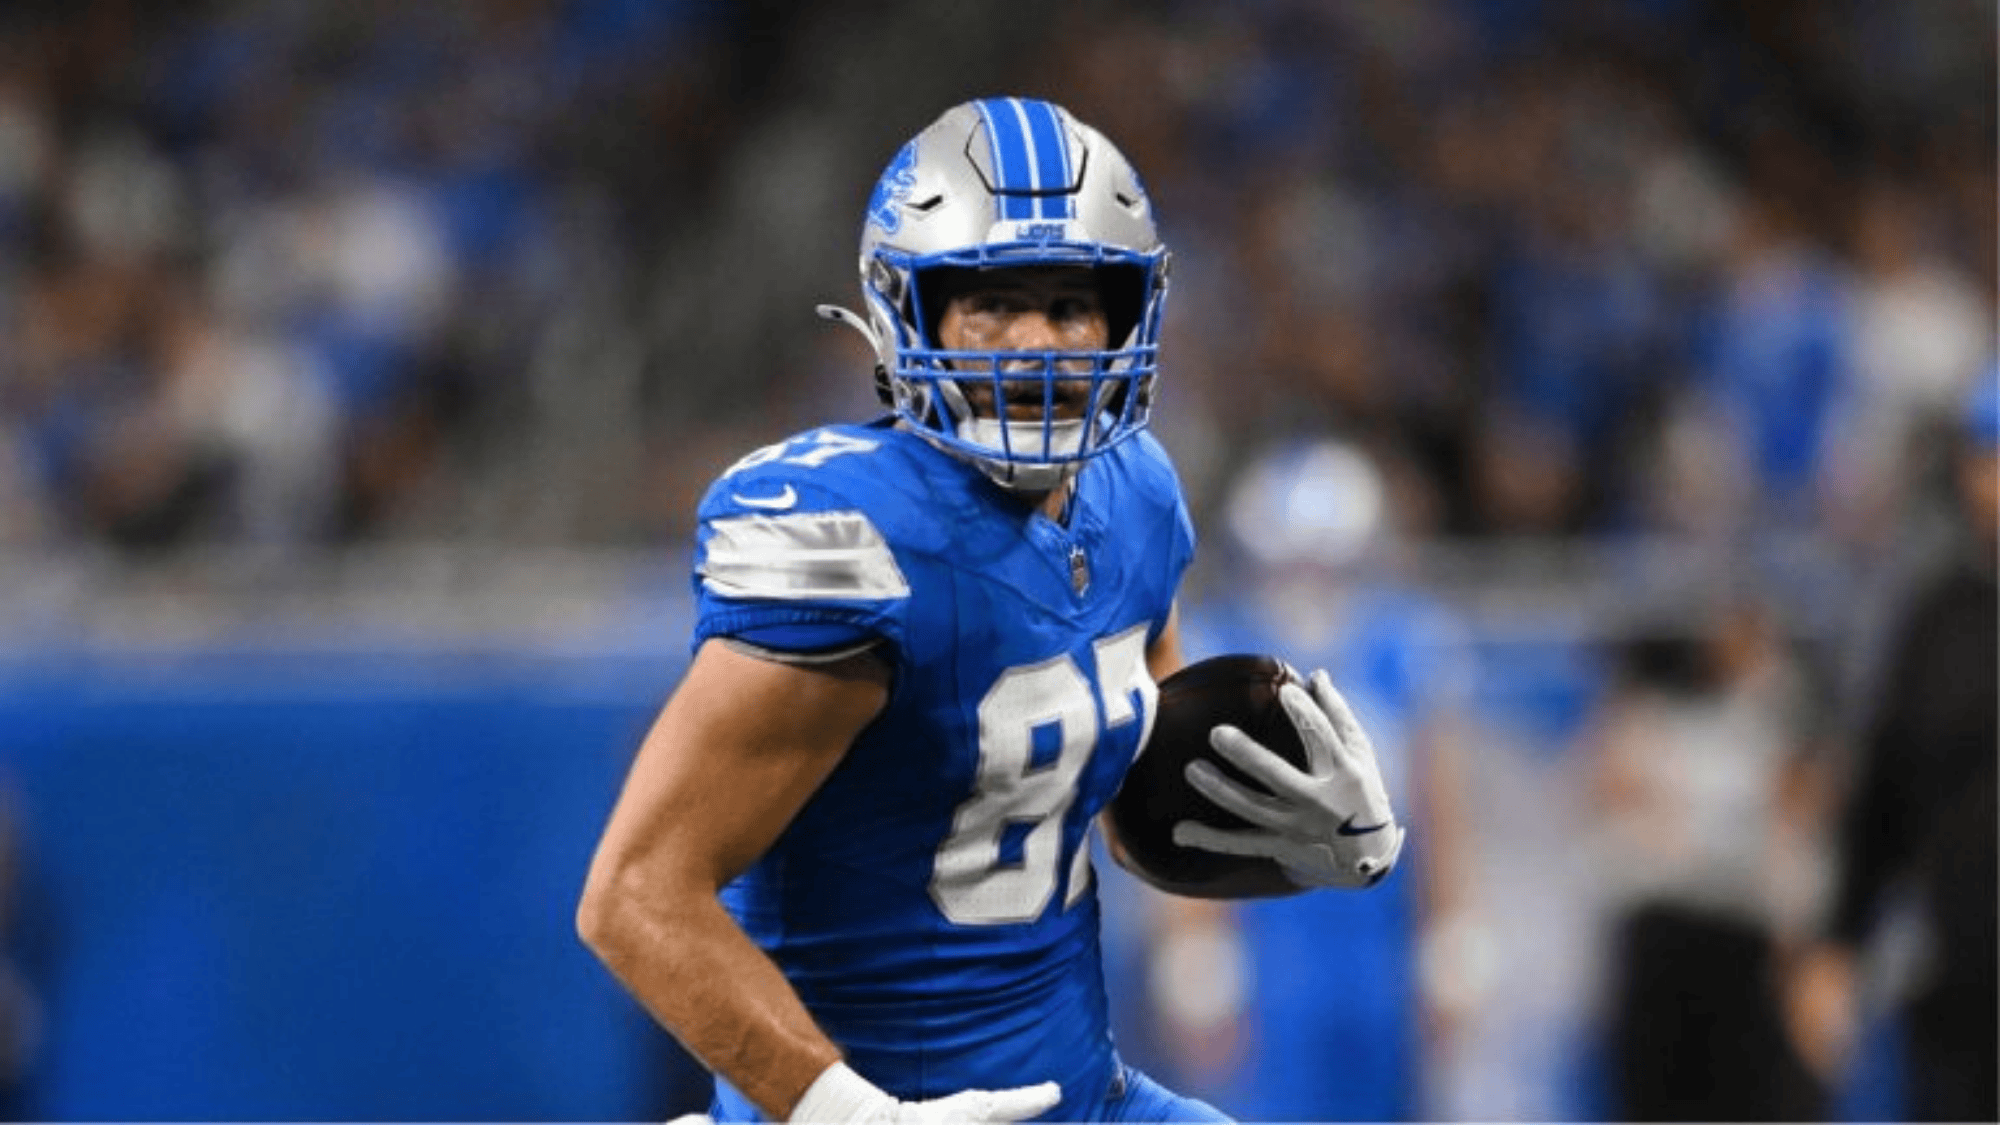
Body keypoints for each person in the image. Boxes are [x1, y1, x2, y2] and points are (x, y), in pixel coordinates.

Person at [576, 97, 1406, 1124]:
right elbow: (635, 895)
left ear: (1127, 318)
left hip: (1084, 1095)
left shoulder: (1137, 497)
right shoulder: (852, 538)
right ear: (906, 313)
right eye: (992, 303)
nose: (1037, 345)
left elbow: (1134, 813)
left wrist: (1309, 846)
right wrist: (847, 1113)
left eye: (1071, 306)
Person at [1785, 369, 1998, 1122]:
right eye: (1985, 457)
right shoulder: (1939, 618)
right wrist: (1838, 942)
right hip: (1962, 985)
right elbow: (1885, 793)